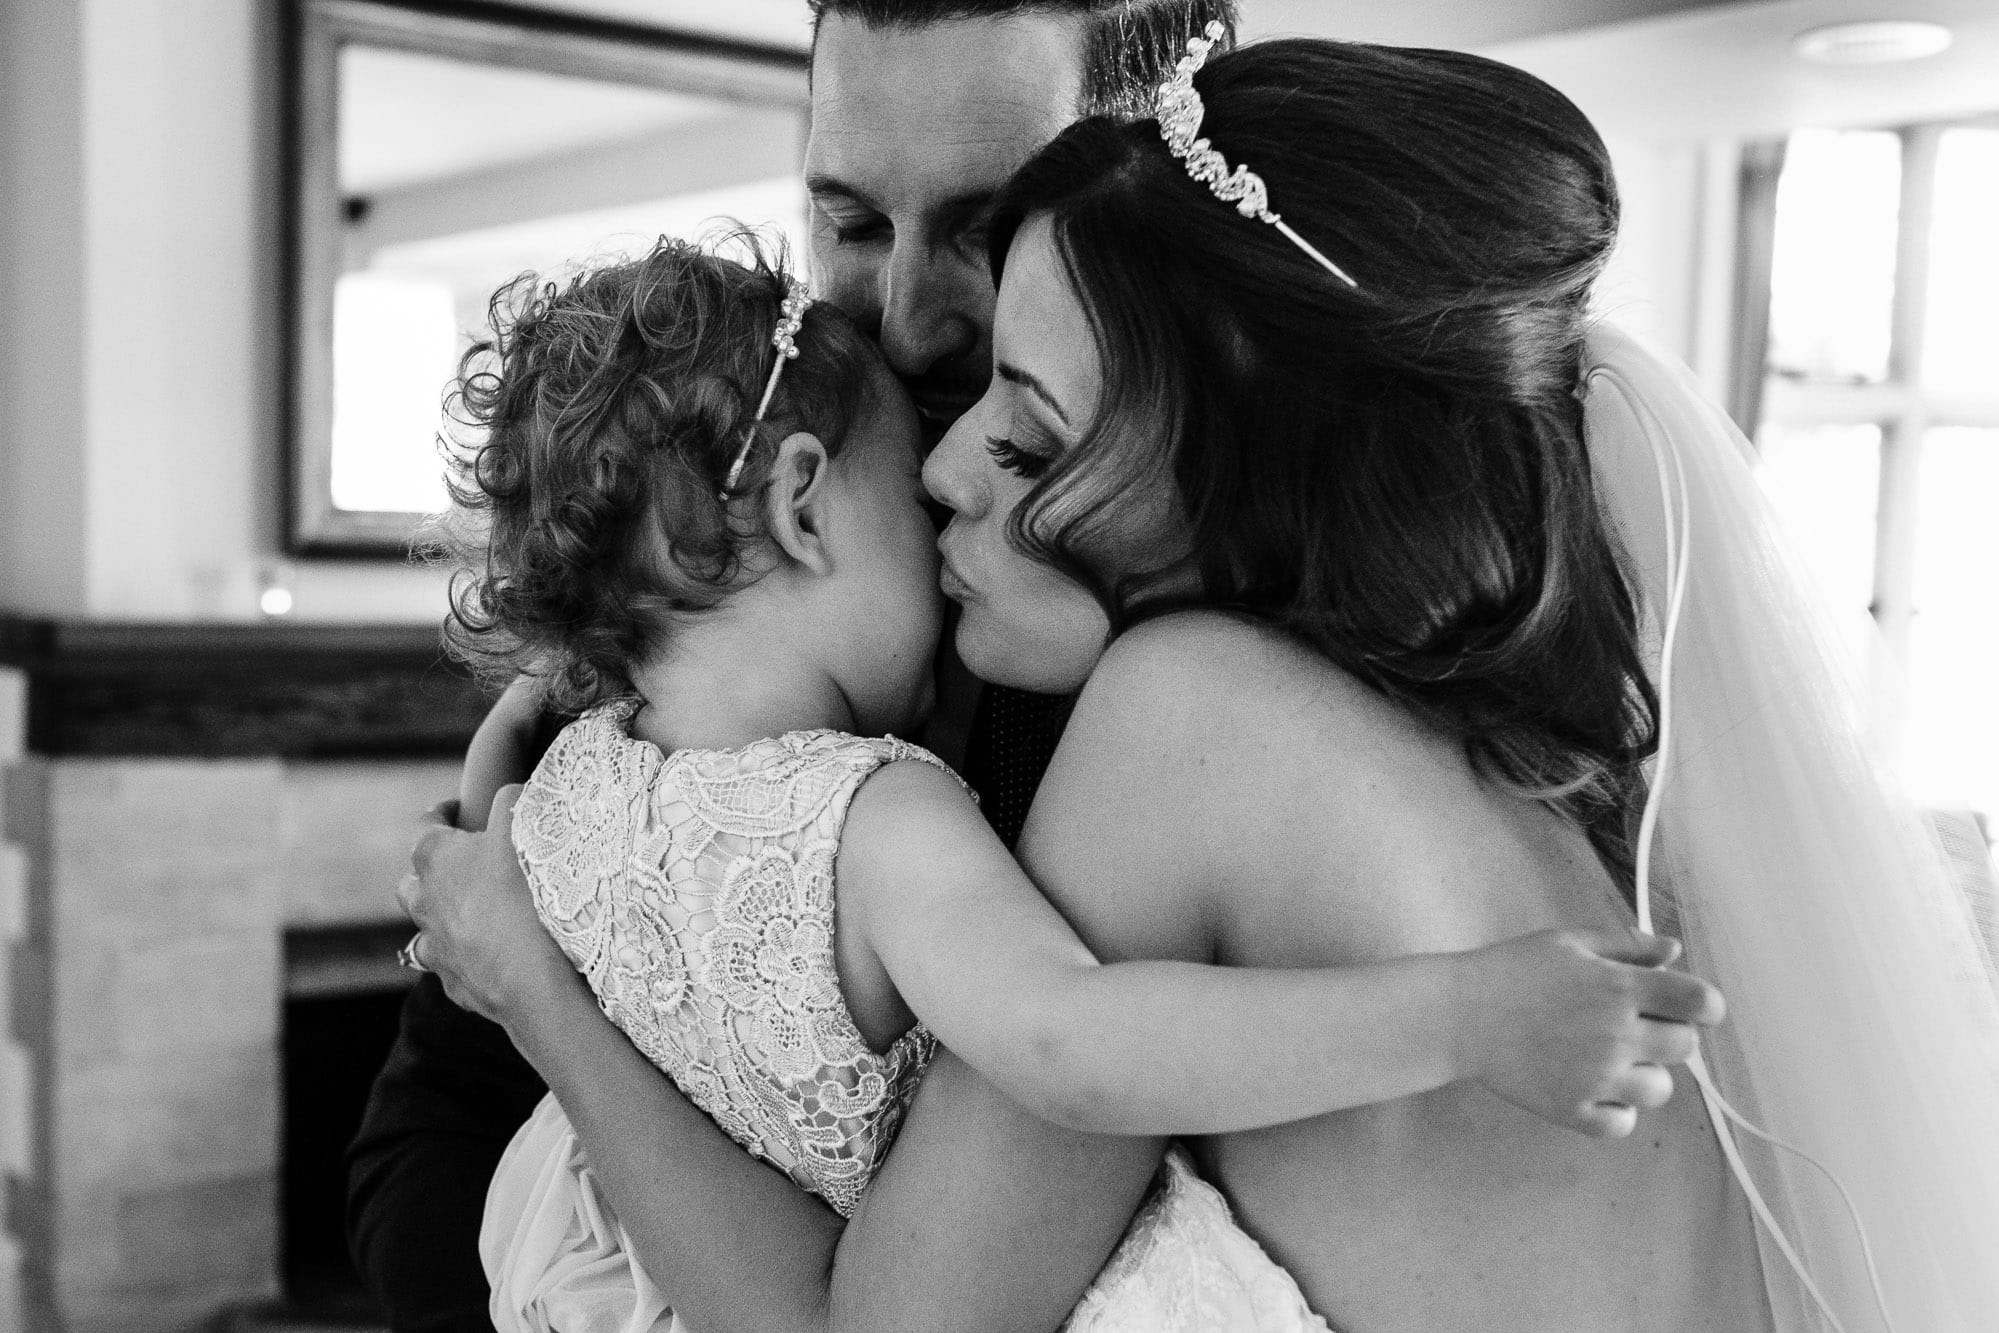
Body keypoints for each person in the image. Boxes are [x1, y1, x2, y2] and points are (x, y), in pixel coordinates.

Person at [404, 31, 1999, 1333]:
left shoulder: (1193, 723)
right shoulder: (1524, 756)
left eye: (1026, 423)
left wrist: (539, 988)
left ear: (1229, 458)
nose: (947, 457)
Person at [430, 235, 1717, 1330]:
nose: (946, 484)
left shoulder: (567, 785)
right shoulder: (880, 819)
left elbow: (478, 836)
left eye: (1030, 434)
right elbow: (1066, 1041)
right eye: (910, 491)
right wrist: (1465, 1019)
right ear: (807, 510)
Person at [345, 4, 1232, 1327]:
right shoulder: (608, 703)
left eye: (986, 231)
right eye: (855, 227)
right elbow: (417, 1152)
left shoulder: (1194, 685)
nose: (916, 324)